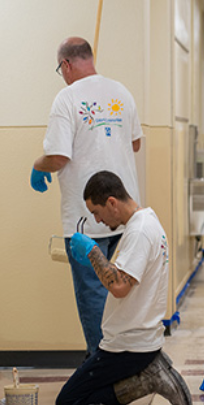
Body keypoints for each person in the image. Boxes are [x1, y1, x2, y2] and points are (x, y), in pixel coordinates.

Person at [30, 37, 143, 358]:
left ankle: (99, 367)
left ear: (66, 65)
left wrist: (37, 166)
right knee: (124, 291)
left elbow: (58, 157)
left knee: (94, 295)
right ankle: (124, 363)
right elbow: (135, 144)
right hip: (124, 212)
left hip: (86, 216)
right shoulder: (121, 92)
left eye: (59, 69)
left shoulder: (66, 98)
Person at [55, 171, 191, 405]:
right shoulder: (147, 221)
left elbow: (119, 287)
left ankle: (149, 379)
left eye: (96, 212)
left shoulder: (138, 232)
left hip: (128, 346)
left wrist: (92, 251)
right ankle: (149, 372)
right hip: (137, 341)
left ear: (111, 203)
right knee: (94, 392)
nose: (98, 220)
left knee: (67, 402)